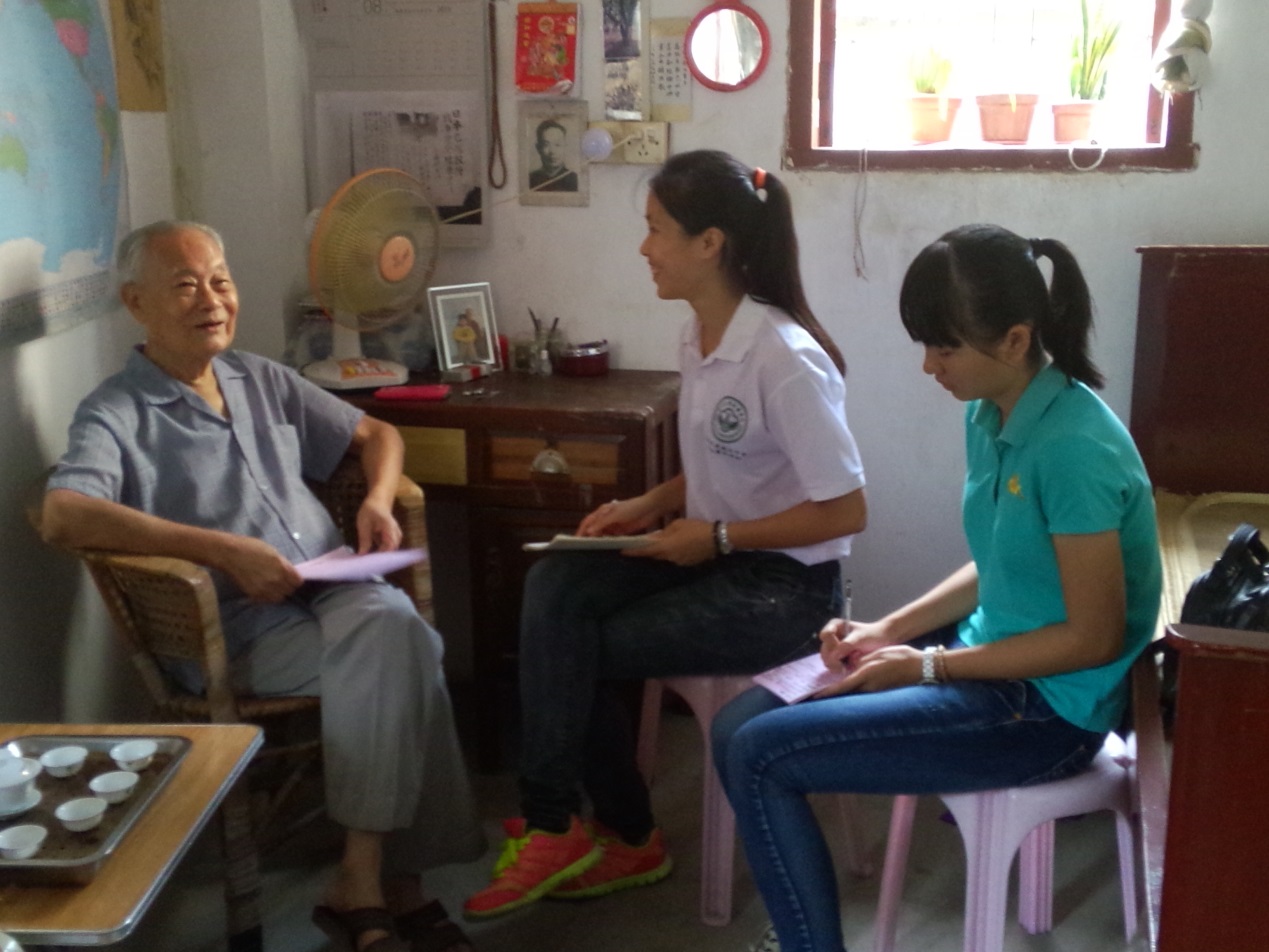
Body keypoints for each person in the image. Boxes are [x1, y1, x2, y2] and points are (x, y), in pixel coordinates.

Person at [711, 224, 1163, 952]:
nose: (928, 365)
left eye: (944, 347)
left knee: (760, 753)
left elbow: (1093, 637)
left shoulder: (1074, 448)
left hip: (1046, 714)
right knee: (736, 725)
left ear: (1015, 340)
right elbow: (1001, 561)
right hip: (988, 663)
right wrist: (887, 631)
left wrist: (927, 666)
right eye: (925, 344)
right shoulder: (992, 412)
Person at [41, 221, 484, 952]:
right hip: (234, 626)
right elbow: (64, 513)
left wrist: (377, 501)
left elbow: (378, 435)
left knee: (394, 631)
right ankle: (392, 884)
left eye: (220, 281)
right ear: (136, 302)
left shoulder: (257, 377)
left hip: (333, 591)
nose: (211, 300)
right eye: (186, 286)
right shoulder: (116, 411)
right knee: (406, 645)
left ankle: (364, 880)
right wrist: (220, 550)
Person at [463, 150, 868, 920]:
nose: (643, 247)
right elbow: (728, 458)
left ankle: (602, 831)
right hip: (715, 555)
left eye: (656, 230)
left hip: (785, 591)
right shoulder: (699, 335)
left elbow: (845, 511)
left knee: (576, 643)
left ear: (709, 243)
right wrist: (646, 502)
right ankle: (566, 824)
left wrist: (716, 538)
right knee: (556, 581)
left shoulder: (784, 358)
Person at [528, 118, 578, 192]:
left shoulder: (574, 180)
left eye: (557, 144)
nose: (552, 151)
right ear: (538, 148)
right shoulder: (530, 180)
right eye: (546, 145)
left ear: (565, 146)